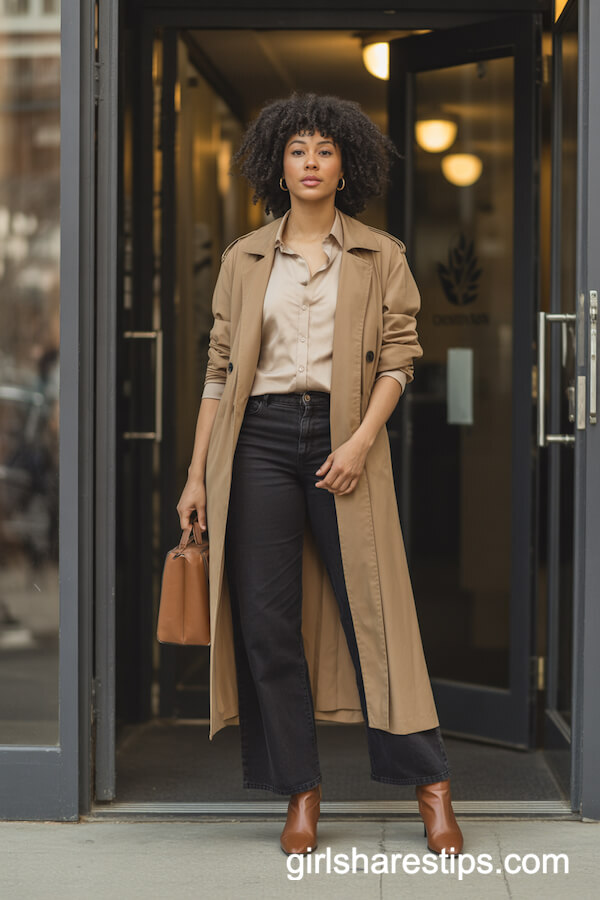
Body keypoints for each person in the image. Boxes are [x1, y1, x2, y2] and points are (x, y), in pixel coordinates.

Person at [176, 92, 463, 858]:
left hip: (345, 443)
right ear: (278, 163)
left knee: (379, 616)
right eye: (296, 149)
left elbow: (401, 358)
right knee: (268, 623)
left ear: (346, 166)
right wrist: (198, 475)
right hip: (259, 442)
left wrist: (362, 441)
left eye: (324, 150)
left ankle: (430, 787)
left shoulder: (379, 253)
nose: (309, 162)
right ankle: (300, 790)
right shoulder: (243, 258)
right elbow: (219, 370)